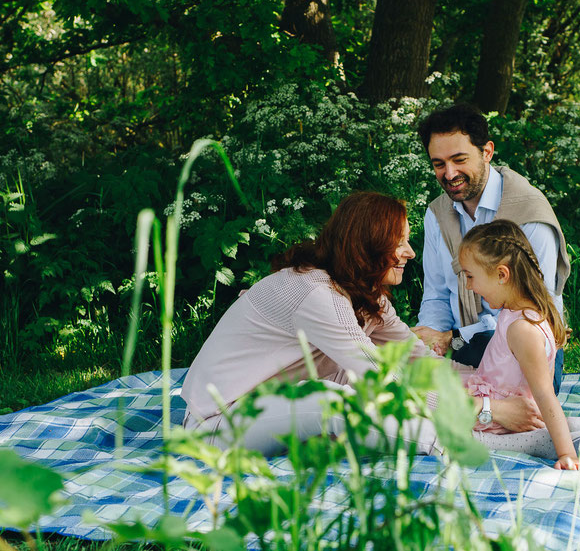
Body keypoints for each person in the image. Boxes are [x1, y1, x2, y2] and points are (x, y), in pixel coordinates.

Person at [180, 191, 544, 456]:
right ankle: (475, 442)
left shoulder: (365, 295)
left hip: (273, 407)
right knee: (337, 400)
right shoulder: (316, 294)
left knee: (349, 389)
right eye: (399, 242)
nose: (410, 252)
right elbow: (386, 381)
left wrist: (488, 390)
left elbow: (417, 360)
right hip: (219, 422)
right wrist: (486, 412)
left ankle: (522, 430)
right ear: (368, 245)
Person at [411, 104, 571, 388]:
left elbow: (536, 310)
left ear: (487, 152)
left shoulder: (529, 214)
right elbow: (436, 296)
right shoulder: (436, 215)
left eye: (459, 160)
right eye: (438, 164)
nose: (449, 174)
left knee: (519, 400)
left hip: (523, 345)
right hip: (463, 343)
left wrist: (455, 337)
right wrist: (432, 344)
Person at [460, 220, 580, 470]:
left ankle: (540, 441)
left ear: (502, 275)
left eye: (470, 276)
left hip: (502, 419)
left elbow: (544, 393)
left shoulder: (522, 328)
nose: (469, 286)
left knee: (439, 426)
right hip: (494, 395)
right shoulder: (516, 311)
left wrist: (567, 454)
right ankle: (562, 428)